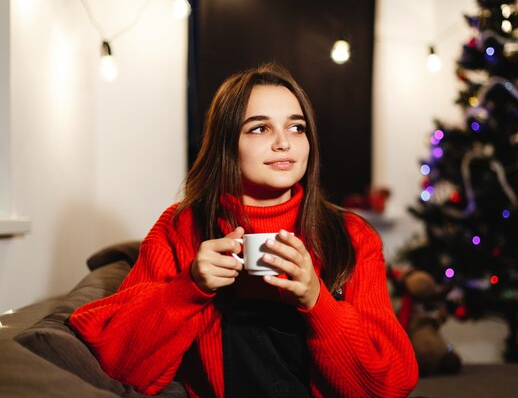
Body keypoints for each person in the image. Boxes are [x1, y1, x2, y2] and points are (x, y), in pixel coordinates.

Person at [69, 63, 418, 398]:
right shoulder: (182, 228)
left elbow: (389, 386)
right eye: (259, 128)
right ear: (226, 144)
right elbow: (122, 367)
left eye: (297, 127)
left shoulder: (352, 235)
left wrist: (317, 300)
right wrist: (189, 288)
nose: (284, 142)